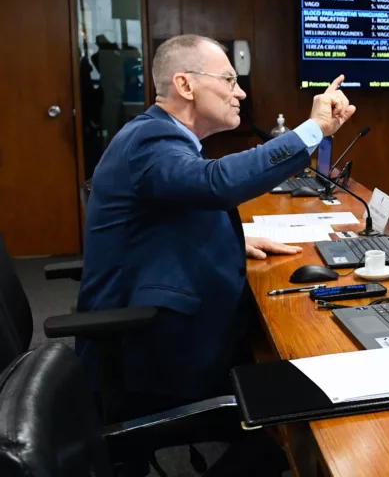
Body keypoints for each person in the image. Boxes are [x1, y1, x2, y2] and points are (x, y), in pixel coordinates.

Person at [77, 34, 356, 473]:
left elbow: (170, 211)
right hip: (149, 353)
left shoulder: (160, 136)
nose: (240, 91)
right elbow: (214, 184)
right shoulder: (149, 141)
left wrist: (232, 239)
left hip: (162, 328)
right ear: (185, 85)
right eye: (229, 79)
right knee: (297, 408)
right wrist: (312, 131)